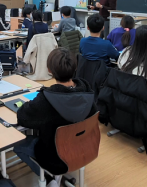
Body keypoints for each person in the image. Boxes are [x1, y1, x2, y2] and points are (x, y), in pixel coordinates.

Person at [14, 48, 97, 179]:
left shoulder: (46, 99)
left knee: (18, 145)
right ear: (74, 67)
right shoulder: (87, 92)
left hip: (54, 159)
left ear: (49, 70)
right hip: (84, 150)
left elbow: (22, 117)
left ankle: (48, 179)